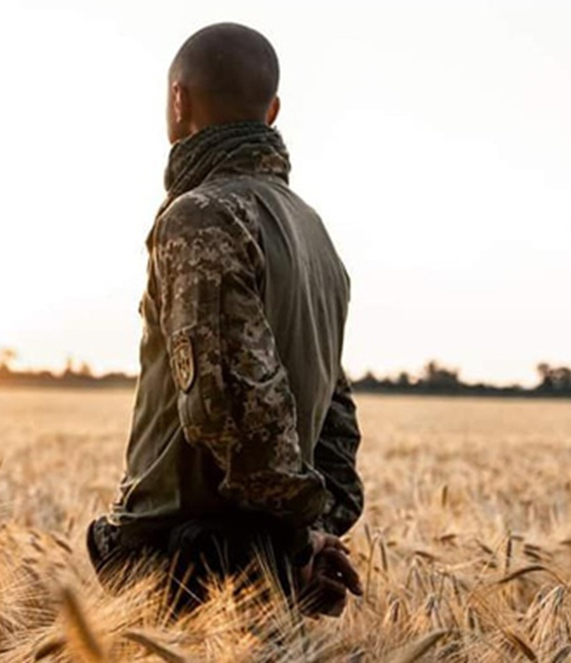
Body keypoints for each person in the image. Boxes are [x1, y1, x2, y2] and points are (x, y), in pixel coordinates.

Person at [87, 22, 364, 616]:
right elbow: (336, 412)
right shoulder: (315, 233)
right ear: (273, 111)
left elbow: (229, 406)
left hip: (190, 565)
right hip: (261, 558)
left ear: (179, 100)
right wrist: (314, 532)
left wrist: (293, 539)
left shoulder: (201, 218)